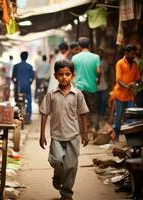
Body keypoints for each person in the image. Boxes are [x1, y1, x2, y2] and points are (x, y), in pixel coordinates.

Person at [39, 59, 89, 200]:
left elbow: (83, 114)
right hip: (56, 135)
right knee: (56, 161)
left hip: (73, 135)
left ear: (73, 75)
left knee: (71, 166)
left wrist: (85, 133)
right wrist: (42, 135)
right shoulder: (51, 94)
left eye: (67, 74)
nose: (64, 77)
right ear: (55, 76)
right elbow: (44, 114)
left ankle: (66, 194)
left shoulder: (78, 94)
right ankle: (57, 175)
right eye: (61, 74)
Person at [112, 44, 141, 141]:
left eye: (134, 54)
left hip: (130, 95)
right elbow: (118, 80)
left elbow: (137, 79)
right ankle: (116, 135)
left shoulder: (135, 64)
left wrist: (137, 85)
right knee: (119, 115)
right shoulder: (120, 63)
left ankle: (130, 138)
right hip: (120, 94)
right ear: (126, 53)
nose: (133, 56)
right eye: (132, 54)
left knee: (131, 116)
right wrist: (127, 86)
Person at [72, 37, 101, 132]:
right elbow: (98, 71)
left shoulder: (74, 58)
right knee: (93, 109)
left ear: (79, 46)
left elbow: (72, 73)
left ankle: (83, 130)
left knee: (81, 110)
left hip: (79, 88)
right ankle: (94, 128)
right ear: (89, 45)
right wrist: (98, 79)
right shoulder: (96, 57)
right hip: (92, 87)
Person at [12, 51, 34, 123]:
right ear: (27, 57)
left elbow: (13, 78)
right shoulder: (30, 67)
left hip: (18, 87)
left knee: (17, 101)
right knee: (29, 101)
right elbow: (32, 78)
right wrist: (29, 83)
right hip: (27, 86)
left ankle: (17, 116)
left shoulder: (16, 66)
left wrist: (15, 84)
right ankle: (28, 118)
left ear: (20, 57)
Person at [97, 49, 110, 117]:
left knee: (104, 100)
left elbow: (107, 71)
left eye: (100, 53)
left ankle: (102, 113)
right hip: (96, 84)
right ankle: (99, 113)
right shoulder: (95, 61)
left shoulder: (105, 62)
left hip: (104, 84)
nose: (99, 55)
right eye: (98, 53)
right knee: (98, 100)